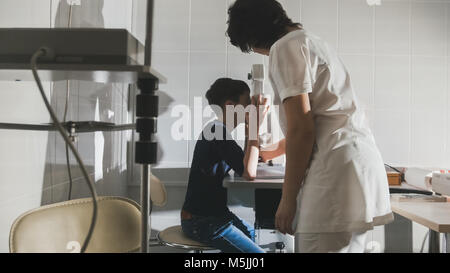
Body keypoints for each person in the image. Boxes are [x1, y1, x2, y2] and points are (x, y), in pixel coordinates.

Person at [227, 0, 393, 253]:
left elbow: (301, 130)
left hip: (334, 170)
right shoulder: (312, 42)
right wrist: (273, 151)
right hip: (357, 164)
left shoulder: (284, 47)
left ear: (254, 33)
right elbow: (319, 120)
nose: (260, 52)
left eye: (251, 46)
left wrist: (287, 199)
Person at [181, 78, 268, 253]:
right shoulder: (216, 131)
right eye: (246, 103)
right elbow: (248, 172)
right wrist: (254, 128)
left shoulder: (218, 130)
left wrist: (252, 131)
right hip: (202, 221)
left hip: (215, 216)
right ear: (230, 105)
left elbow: (243, 162)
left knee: (255, 236)